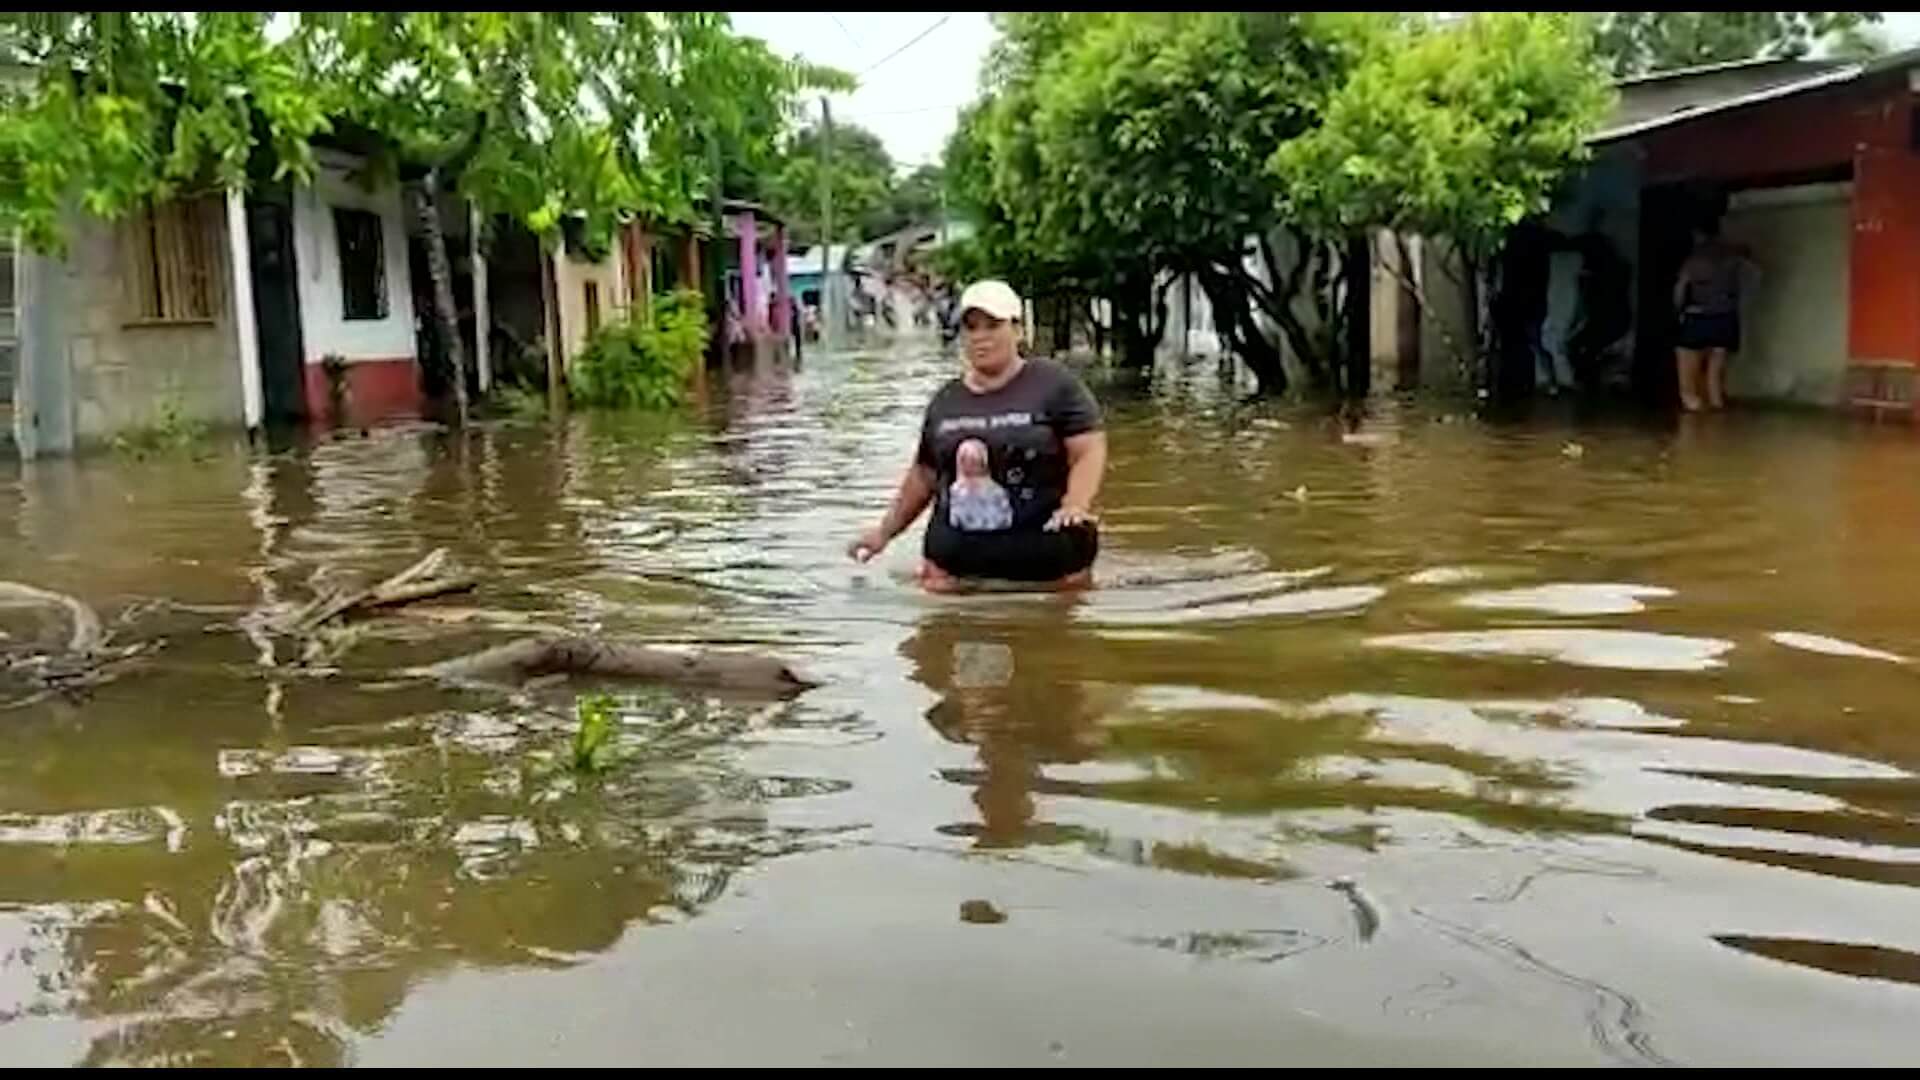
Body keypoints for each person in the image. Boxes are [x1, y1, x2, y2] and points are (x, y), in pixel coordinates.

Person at [847, 279, 1107, 592]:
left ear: (1018, 330)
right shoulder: (946, 401)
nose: (981, 337)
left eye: (993, 325)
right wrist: (884, 533)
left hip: (1051, 567)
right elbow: (924, 475)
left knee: (1054, 635)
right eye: (971, 327)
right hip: (952, 571)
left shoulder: (1054, 384)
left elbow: (1089, 450)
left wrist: (1075, 505)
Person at [1673, 220, 1755, 412]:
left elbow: (1680, 288)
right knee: (1716, 369)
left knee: (1686, 363)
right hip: (1726, 316)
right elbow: (1753, 274)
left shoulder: (1694, 259)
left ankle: (1692, 404)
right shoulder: (1732, 256)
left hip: (1698, 315)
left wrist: (1678, 310)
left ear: (1697, 235)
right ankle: (1716, 405)